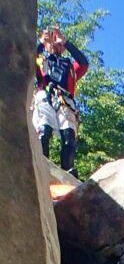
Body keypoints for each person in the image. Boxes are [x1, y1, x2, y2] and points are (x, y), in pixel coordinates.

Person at [33, 26, 89, 176]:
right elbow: (26, 57)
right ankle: (41, 162)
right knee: (44, 131)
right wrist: (42, 41)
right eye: (54, 40)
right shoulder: (40, 59)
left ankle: (67, 170)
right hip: (45, 94)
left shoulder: (69, 66)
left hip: (65, 101)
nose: (58, 45)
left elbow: (84, 64)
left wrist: (67, 42)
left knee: (69, 136)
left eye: (60, 43)